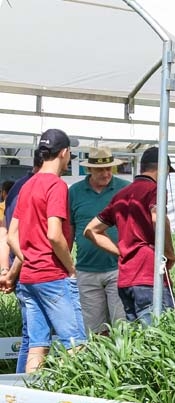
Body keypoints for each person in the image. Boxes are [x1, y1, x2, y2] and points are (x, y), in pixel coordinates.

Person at [6, 129, 86, 372]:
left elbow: (11, 236)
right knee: (76, 344)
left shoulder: (27, 185)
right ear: (63, 153)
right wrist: (70, 267)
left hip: (28, 278)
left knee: (37, 345)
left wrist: (28, 258)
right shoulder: (56, 186)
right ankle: (71, 399)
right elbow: (54, 233)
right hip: (53, 276)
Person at [84, 146, 175, 325]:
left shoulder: (122, 194)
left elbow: (91, 230)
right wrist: (169, 253)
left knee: (137, 340)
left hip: (126, 278)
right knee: (159, 337)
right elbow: (158, 218)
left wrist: (122, 251)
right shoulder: (154, 190)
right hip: (149, 276)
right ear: (162, 168)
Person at [70, 146, 128, 335]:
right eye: (100, 169)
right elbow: (69, 228)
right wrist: (67, 265)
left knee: (121, 326)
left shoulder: (124, 189)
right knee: (94, 330)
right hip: (86, 270)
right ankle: (101, 363)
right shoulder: (75, 192)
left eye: (109, 168)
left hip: (118, 267)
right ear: (89, 170)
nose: (106, 173)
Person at [1, 149, 42, 373]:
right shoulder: (31, 188)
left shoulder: (18, 187)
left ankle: (21, 392)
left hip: (23, 269)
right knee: (35, 336)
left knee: (32, 335)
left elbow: (7, 234)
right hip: (30, 270)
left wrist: (7, 270)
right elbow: (20, 239)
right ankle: (24, 393)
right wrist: (13, 271)